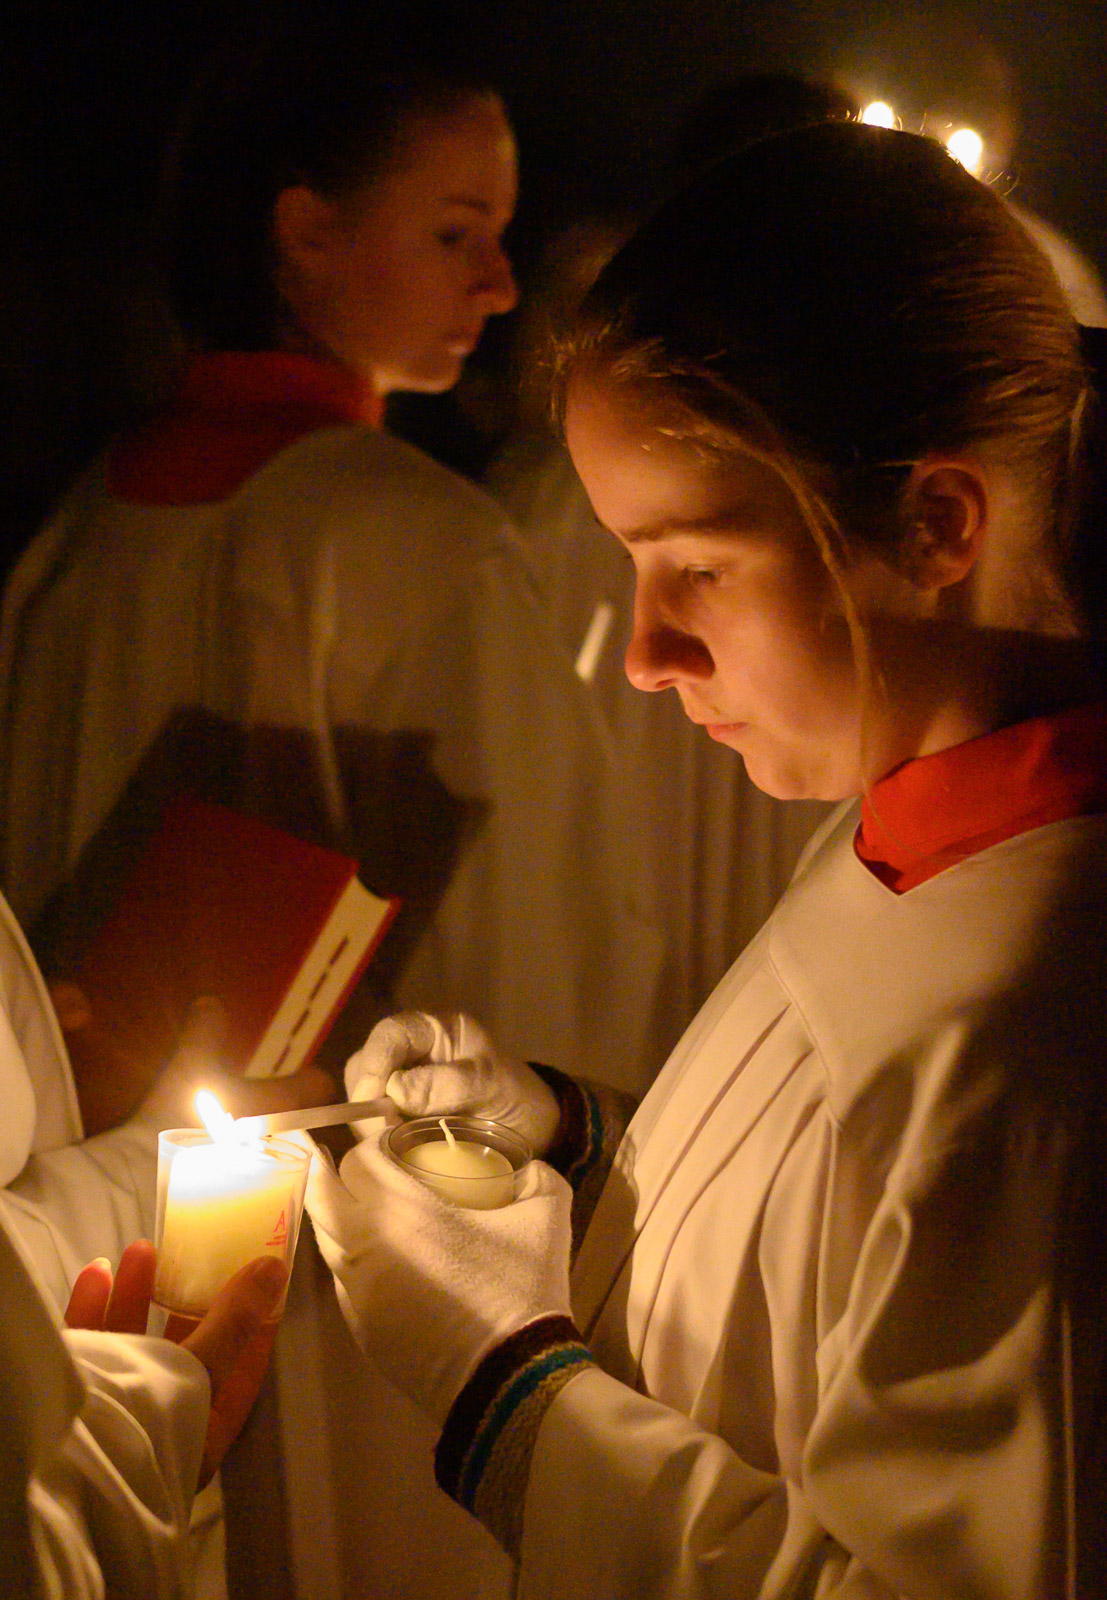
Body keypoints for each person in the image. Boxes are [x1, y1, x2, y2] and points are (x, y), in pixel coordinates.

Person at [304, 120, 1107, 1597]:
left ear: (937, 521)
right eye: (628, 567)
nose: (649, 654)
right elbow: (836, 1251)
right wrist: (574, 1139)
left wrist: (507, 1382)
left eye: (701, 569)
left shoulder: (1037, 1050)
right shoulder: (896, 832)